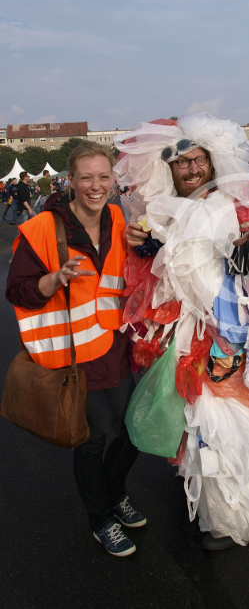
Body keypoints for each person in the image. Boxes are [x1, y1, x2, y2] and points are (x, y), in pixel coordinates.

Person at [116, 114, 249, 552]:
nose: (192, 169)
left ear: (213, 162)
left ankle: (231, 516)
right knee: (199, 425)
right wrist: (138, 245)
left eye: (199, 160)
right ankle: (215, 513)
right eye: (182, 162)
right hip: (186, 336)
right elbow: (152, 281)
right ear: (170, 168)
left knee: (234, 424)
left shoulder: (239, 206)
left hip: (233, 334)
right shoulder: (158, 213)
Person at [6, 141, 146, 558]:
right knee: (92, 438)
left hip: (115, 345)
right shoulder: (42, 228)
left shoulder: (118, 217)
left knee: (132, 430)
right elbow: (17, 290)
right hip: (74, 354)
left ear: (113, 179)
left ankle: (114, 494)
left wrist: (144, 245)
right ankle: (100, 519)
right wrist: (53, 279)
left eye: (103, 176)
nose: (96, 185)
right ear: (70, 180)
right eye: (86, 177)